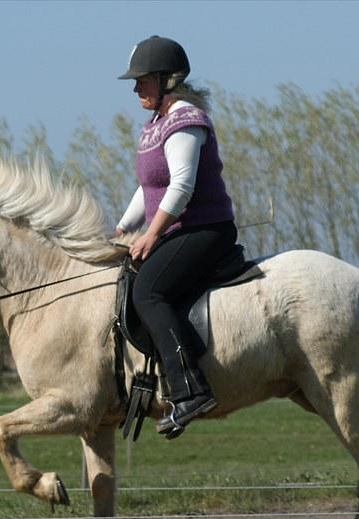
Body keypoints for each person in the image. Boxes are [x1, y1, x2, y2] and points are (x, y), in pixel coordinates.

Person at [115, 36, 237, 439]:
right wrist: (121, 228)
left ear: (169, 79)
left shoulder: (186, 119)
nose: (136, 88)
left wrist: (150, 234)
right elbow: (148, 188)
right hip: (176, 230)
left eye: (143, 80)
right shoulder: (154, 125)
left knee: (148, 291)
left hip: (204, 230)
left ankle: (190, 391)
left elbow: (181, 186)